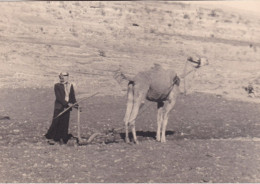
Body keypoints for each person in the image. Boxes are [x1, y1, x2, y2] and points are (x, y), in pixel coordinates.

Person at [45, 72, 78, 145]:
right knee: (56, 121)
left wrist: (76, 106)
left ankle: (63, 138)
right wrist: (67, 103)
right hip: (59, 107)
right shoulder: (57, 86)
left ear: (67, 77)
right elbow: (59, 97)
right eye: (61, 76)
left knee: (65, 123)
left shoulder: (70, 85)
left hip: (67, 108)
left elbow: (72, 97)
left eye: (65, 76)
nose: (63, 77)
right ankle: (51, 137)